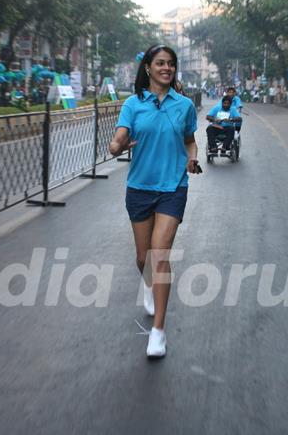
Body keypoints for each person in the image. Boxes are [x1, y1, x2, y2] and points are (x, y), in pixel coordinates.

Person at [109, 44, 199, 359]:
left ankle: (158, 331)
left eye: (171, 64)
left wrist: (193, 159)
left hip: (173, 187)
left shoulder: (184, 105)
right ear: (148, 67)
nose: (166, 68)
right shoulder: (133, 105)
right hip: (140, 187)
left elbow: (190, 140)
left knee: (160, 256)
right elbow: (119, 138)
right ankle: (148, 286)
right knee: (142, 258)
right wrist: (116, 145)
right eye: (160, 63)